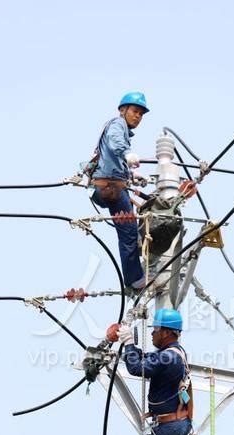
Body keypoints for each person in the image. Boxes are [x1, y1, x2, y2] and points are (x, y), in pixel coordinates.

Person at [89, 92, 149, 291]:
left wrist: (133, 177)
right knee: (129, 231)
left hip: (114, 186)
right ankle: (134, 279)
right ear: (122, 110)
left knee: (133, 229)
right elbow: (116, 143)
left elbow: (114, 162)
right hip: (108, 187)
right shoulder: (117, 124)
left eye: (141, 113)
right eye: (134, 111)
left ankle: (137, 267)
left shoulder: (123, 130)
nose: (137, 116)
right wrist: (127, 153)